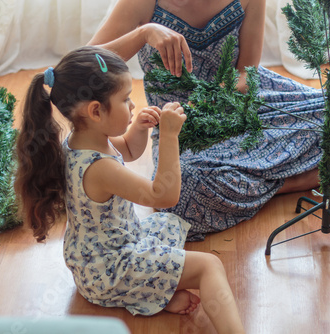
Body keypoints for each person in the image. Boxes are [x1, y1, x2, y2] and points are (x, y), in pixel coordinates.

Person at [88, 0, 330, 241]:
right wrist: (144, 32)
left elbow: (248, 73)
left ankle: (263, 172)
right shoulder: (143, 3)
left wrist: (214, 97)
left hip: (247, 99)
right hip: (180, 126)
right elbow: (82, 65)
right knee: (182, 194)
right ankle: (290, 179)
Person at [14, 46, 245, 334]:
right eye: (125, 99)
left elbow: (127, 150)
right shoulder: (99, 169)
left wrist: (138, 127)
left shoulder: (82, 140)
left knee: (166, 225)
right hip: (110, 269)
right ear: (96, 111)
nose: (132, 105)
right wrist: (169, 136)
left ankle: (155, 293)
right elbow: (164, 196)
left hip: (96, 258)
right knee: (209, 266)